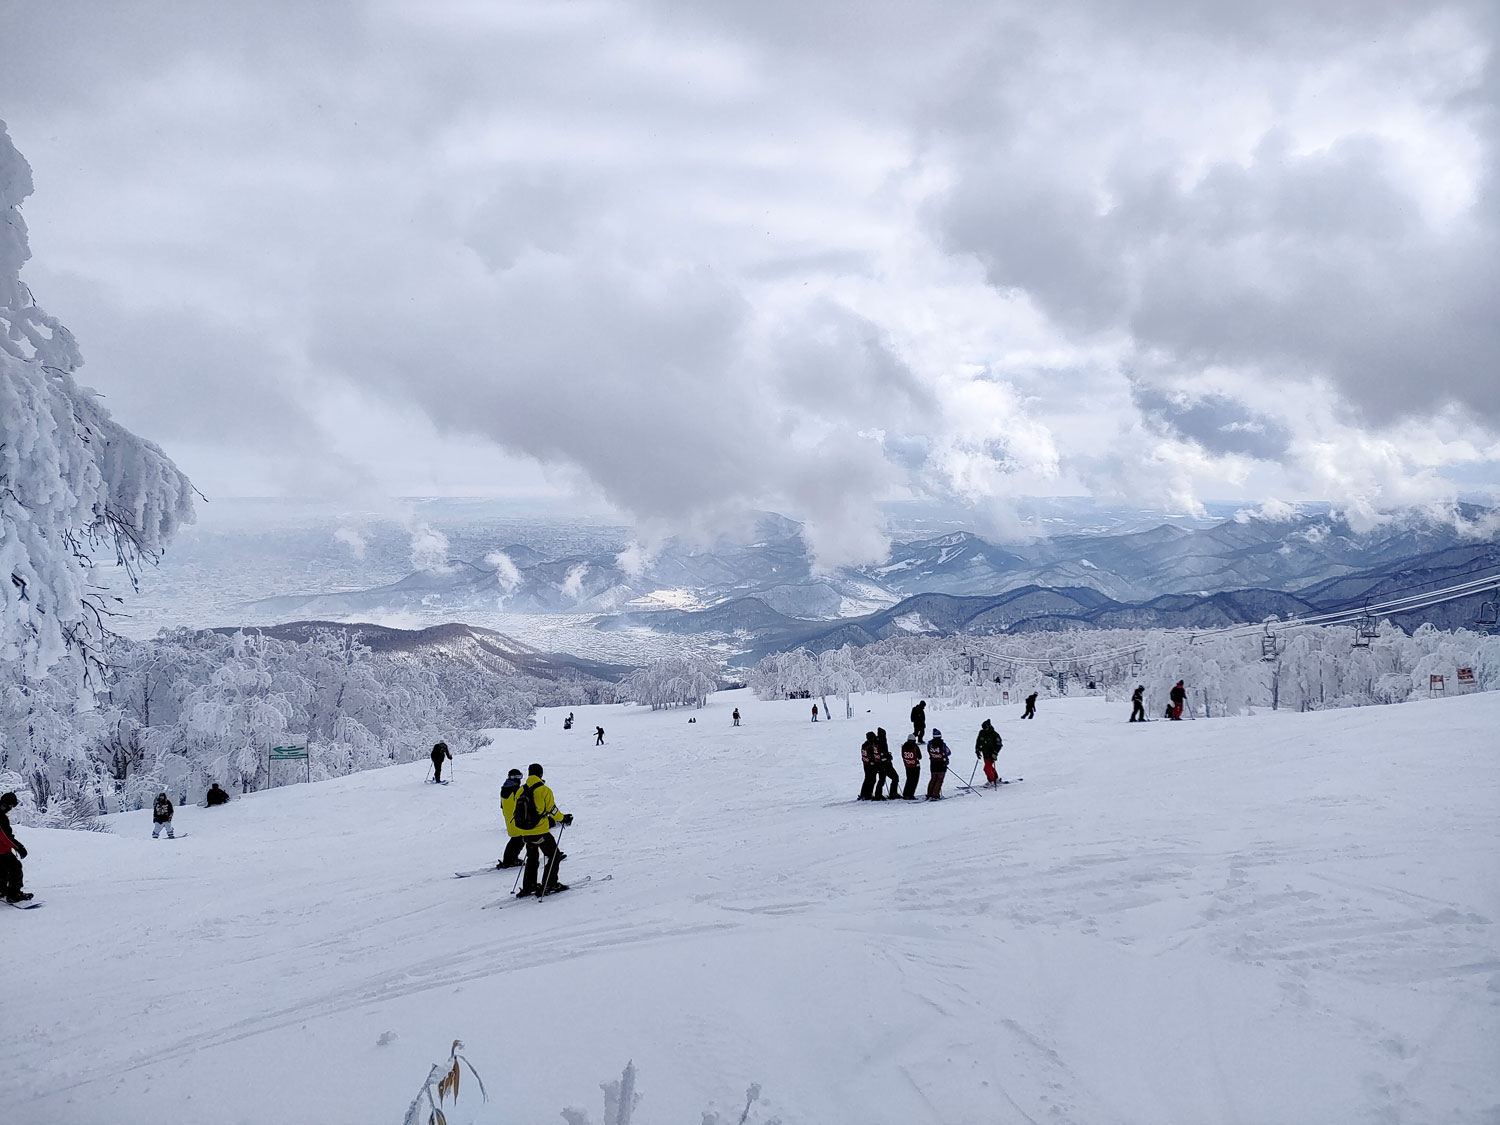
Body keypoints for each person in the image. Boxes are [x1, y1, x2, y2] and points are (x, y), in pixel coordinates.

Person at [514, 763, 573, 897]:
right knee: (554, 856)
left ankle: (529, 886)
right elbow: (553, 810)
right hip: (539, 831)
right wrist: (563, 818)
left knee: (532, 858)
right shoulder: (544, 790)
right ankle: (550, 884)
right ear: (541, 774)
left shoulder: (520, 790)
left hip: (525, 832)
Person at [0, 792, 31, 903]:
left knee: (3, 870)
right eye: (11, 806)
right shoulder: (1, 818)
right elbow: (5, 837)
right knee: (15, 868)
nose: (11, 809)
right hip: (2, 851)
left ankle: (2, 890)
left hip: (2, 850)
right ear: (6, 804)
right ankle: (14, 894)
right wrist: (19, 847)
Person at [496, 768, 526, 869]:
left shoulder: (504, 788)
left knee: (516, 839)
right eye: (518, 777)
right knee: (519, 840)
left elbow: (502, 805)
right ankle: (510, 860)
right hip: (517, 818)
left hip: (509, 818)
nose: (520, 779)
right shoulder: (516, 789)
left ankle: (509, 859)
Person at [874, 727, 900, 800]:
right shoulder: (882, 742)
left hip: (878, 763)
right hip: (885, 764)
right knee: (895, 777)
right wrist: (888, 757)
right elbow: (883, 753)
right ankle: (893, 794)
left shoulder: (875, 741)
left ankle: (878, 794)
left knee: (882, 779)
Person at [975, 719, 1002, 786]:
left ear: (989, 727)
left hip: (991, 754)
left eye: (986, 728)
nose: (984, 729)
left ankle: (991, 781)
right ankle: (995, 778)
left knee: (987, 768)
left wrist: (995, 753)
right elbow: (978, 742)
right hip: (984, 753)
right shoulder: (981, 733)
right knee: (989, 767)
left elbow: (999, 745)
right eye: (983, 728)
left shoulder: (995, 735)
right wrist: (977, 750)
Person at [925, 729, 950, 800]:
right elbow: (948, 752)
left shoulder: (930, 744)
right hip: (941, 763)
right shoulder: (942, 744)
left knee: (933, 779)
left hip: (933, 763)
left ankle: (929, 794)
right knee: (939, 780)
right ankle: (935, 795)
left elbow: (928, 751)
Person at [900, 734, 923, 800]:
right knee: (914, 780)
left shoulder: (904, 746)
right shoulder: (915, 746)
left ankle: (905, 793)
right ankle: (910, 794)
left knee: (909, 779)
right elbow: (920, 756)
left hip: (907, 765)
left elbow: (902, 755)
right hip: (915, 765)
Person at [858, 731, 879, 800]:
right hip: (871, 765)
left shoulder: (864, 745)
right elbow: (872, 756)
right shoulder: (870, 746)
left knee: (867, 779)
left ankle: (863, 793)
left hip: (865, 764)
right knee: (872, 779)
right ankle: (868, 794)